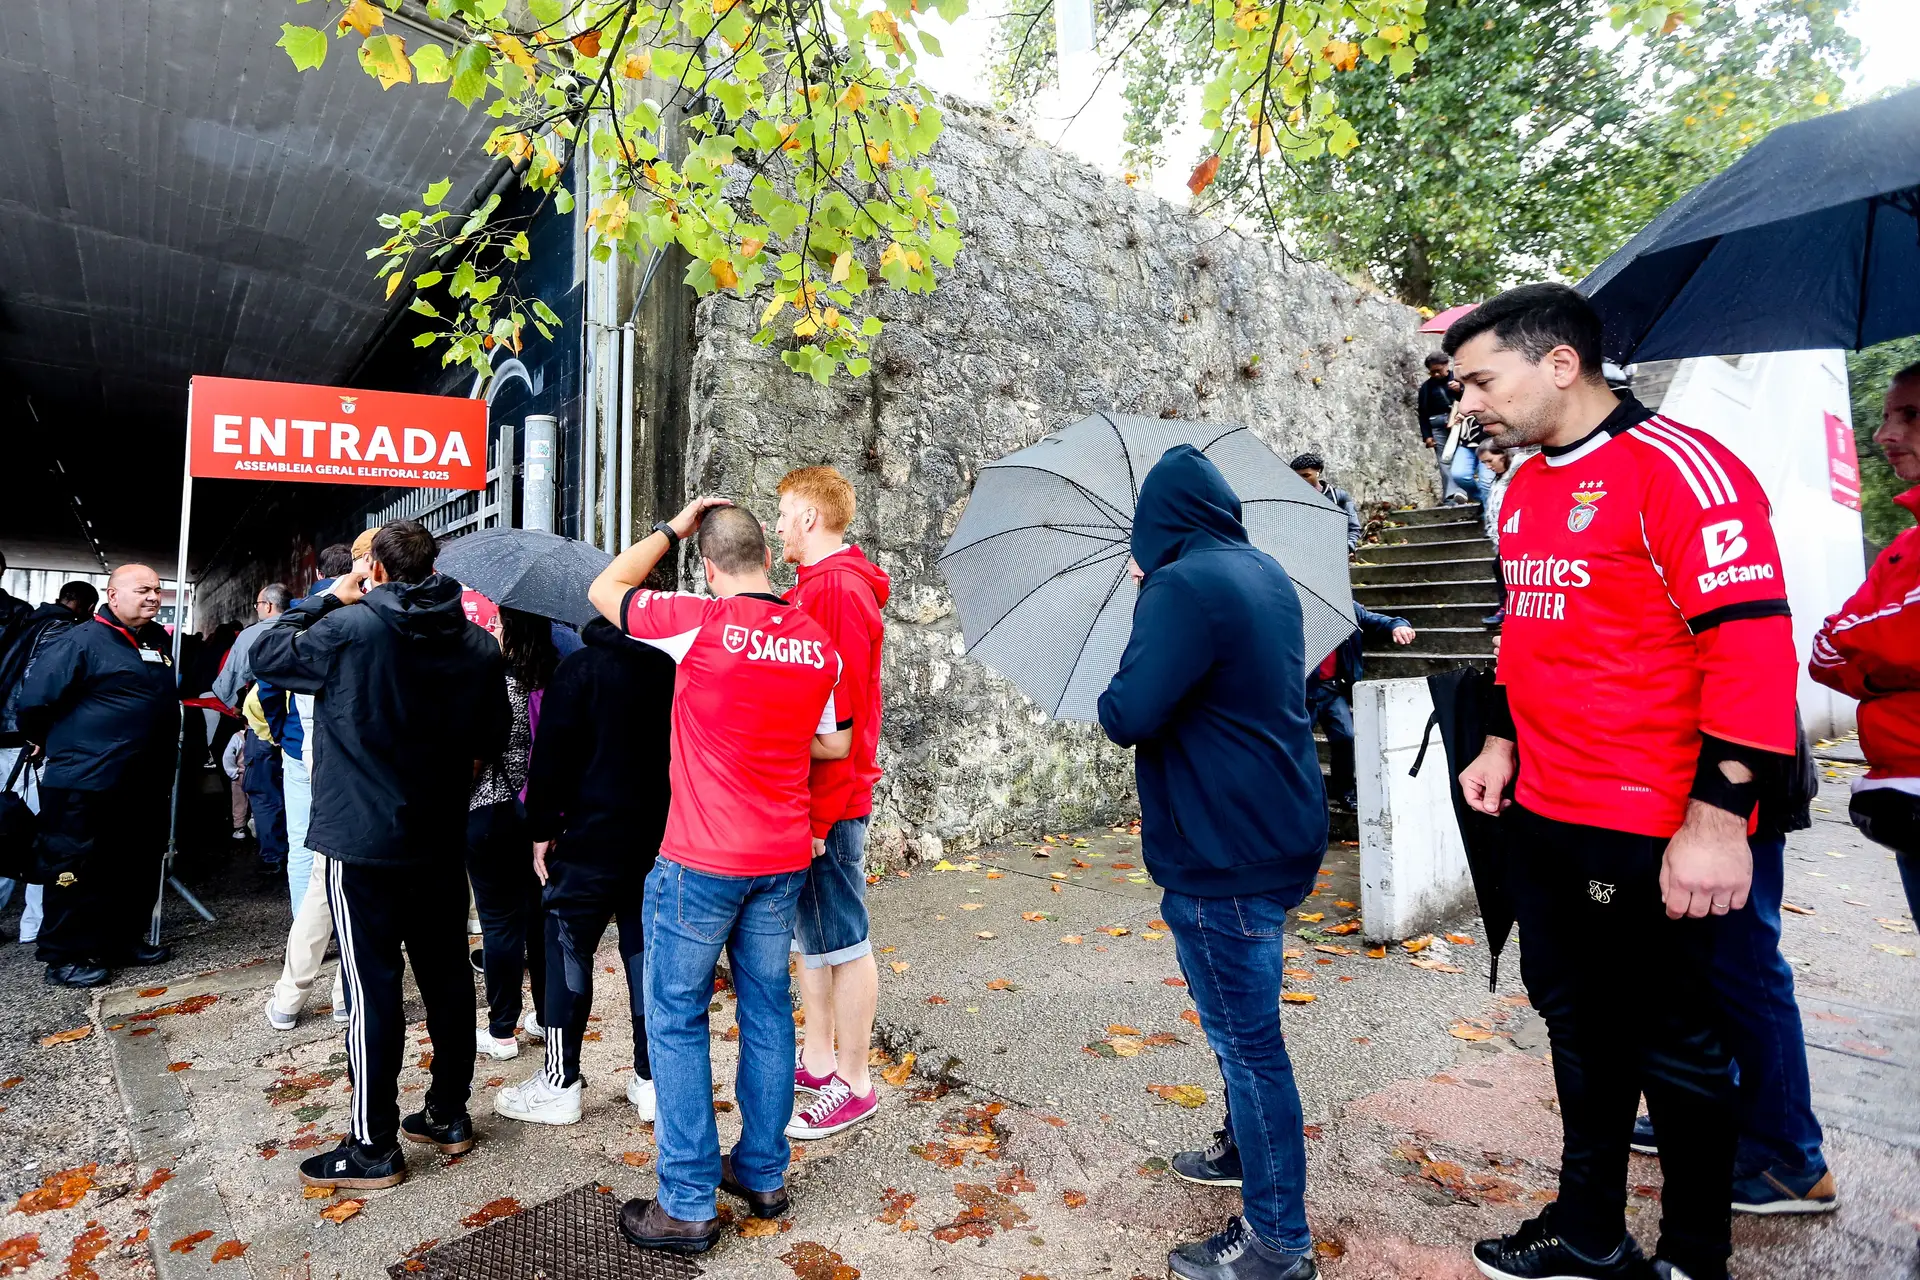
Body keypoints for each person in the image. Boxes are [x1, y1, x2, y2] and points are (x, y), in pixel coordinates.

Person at [1450, 284, 1797, 1280]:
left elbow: (1751, 647)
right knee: (1577, 1023)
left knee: (1677, 1047)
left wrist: (1720, 817)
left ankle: (1694, 1256)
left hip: (1652, 823)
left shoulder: (1684, 470)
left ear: (1560, 362)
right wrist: (1503, 740)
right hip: (1548, 815)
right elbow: (1528, 628)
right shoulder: (1523, 489)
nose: (1469, 401)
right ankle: (1590, 1229)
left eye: (1483, 379)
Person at [587, 499, 850, 1256]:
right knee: (768, 1009)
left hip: (700, 860)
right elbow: (833, 745)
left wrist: (673, 525)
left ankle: (688, 1202)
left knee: (675, 1017)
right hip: (780, 858)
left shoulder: (695, 620)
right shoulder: (814, 640)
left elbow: (607, 588)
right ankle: (763, 1173)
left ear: (708, 568)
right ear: (768, 558)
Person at [1096, 445, 1327, 1280]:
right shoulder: (1262, 570)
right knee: (1243, 1022)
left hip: (1223, 846)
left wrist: (1146, 611)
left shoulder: (1180, 587)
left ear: (1156, 522)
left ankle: (1277, 1240)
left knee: (1247, 1043)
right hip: (1281, 827)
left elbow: (1128, 711)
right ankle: (1241, 1147)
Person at [252, 521, 509, 1191]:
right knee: (449, 977)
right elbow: (492, 735)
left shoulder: (349, 627)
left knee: (372, 990)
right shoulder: (477, 644)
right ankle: (448, 1114)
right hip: (439, 834)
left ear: (376, 572)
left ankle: (373, 1145)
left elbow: (268, 655)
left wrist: (324, 599)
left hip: (361, 839)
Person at [1628, 721, 1836, 1216]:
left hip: (1739, 789)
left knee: (1745, 969)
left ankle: (1791, 1158)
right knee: (1702, 967)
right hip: (1695, 779)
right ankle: (1712, 1116)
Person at [494, 605, 676, 1126]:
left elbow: (550, 761)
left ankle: (560, 1081)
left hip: (585, 842)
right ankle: (651, 1079)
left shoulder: (577, 671)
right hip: (655, 840)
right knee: (646, 955)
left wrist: (541, 831)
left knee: (567, 951)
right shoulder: (670, 668)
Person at [775, 465, 893, 1140]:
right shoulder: (820, 587)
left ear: (812, 519)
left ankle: (853, 1082)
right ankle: (820, 1062)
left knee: (843, 940)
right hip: (818, 798)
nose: (779, 526)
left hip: (831, 800)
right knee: (815, 938)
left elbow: (840, 722)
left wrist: (817, 818)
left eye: (785, 513)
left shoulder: (838, 592)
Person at [16, 565, 180, 988]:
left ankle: (120, 940)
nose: (153, 597)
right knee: (75, 866)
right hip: (85, 781)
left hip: (142, 781)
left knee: (133, 864)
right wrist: (52, 743)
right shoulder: (79, 641)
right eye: (143, 590)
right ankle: (64, 954)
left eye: (157, 591)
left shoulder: (156, 641)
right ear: (112, 595)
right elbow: (35, 703)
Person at [1811, 361, 1920, 924]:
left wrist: (1876, 668)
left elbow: (1866, 637)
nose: (1882, 436)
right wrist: (1878, 672)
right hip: (1904, 804)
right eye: (1884, 417)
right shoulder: (1905, 546)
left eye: (1910, 415)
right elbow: (1826, 651)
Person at [264, 543, 357, 1031]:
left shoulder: (325, 620)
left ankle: (292, 996)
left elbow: (267, 660)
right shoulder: (390, 624)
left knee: (324, 876)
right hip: (378, 777)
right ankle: (344, 993)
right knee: (348, 884)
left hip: (329, 767)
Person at [469, 604, 554, 1060]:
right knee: (539, 922)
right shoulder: (548, 681)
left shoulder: (491, 682)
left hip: (487, 810)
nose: (490, 627)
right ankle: (543, 1017)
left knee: (499, 923)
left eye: (498, 622)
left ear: (514, 629)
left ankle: (501, 1031)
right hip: (536, 815)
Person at [0, 579, 98, 942]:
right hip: (24, 744)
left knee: (6, 825)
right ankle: (35, 924)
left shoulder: (22, 622)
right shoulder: (61, 630)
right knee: (42, 834)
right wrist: (39, 734)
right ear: (88, 607)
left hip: (6, 735)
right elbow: (39, 685)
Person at [1306, 603, 1415, 811]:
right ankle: (1302, 795)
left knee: (1346, 736)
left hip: (1333, 689)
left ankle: (1345, 792)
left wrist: (1398, 625)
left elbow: (1378, 621)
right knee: (1298, 743)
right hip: (1303, 690)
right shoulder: (1294, 606)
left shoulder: (1346, 608)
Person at [1288, 454, 1362, 552]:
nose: (1301, 480)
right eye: (1297, 476)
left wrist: (1346, 547)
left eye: (1306, 475)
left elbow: (1353, 527)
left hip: (1333, 554)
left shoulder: (1339, 497)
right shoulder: (1290, 499)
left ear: (1318, 472)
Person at [1418, 352, 1465, 503]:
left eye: (1439, 370)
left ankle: (1463, 492)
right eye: (1432, 372)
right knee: (1444, 460)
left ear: (1446, 365)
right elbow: (1423, 413)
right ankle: (1451, 496)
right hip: (1437, 426)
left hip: (1459, 422)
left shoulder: (1459, 380)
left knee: (1462, 456)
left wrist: (1460, 390)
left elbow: (1472, 398)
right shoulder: (1426, 387)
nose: (1436, 374)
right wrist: (1427, 436)